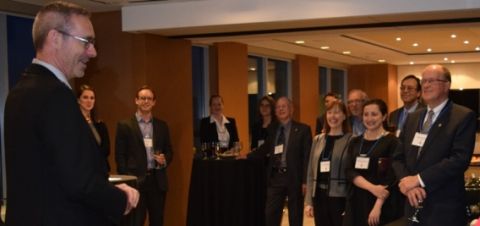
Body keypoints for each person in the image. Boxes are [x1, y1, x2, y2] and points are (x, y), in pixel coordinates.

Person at [4, 2, 139, 225]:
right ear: (55, 38)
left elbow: (52, 172)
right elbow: (79, 181)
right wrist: (121, 198)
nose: (93, 52)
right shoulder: (55, 95)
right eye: (87, 42)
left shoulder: (20, 92)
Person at [392, 64, 476, 226]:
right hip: (412, 203)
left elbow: (459, 160)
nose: (426, 85)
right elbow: (398, 157)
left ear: (447, 85)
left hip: (443, 208)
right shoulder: (413, 118)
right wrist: (407, 183)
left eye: (432, 81)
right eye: (424, 81)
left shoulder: (463, 116)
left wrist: (418, 180)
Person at [247, 97, 312, 226]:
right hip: (275, 176)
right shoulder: (273, 129)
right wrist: (248, 156)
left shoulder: (303, 129)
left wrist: (305, 181)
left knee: (295, 215)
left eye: (284, 106)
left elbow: (307, 157)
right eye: (277, 107)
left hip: (294, 176)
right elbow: (265, 147)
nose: (280, 109)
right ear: (275, 111)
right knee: (270, 214)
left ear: (291, 109)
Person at [115, 85, 173, 226]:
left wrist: (164, 160)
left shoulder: (162, 125)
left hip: (157, 181)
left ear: (154, 102)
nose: (146, 101)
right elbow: (120, 155)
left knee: (157, 221)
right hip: (135, 182)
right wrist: (127, 180)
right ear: (136, 100)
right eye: (142, 98)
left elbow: (170, 151)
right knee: (136, 222)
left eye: (149, 98)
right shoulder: (125, 125)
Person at [343, 99, 403, 226]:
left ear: (384, 116)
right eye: (366, 114)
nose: (369, 118)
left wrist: (378, 205)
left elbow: (391, 178)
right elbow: (349, 171)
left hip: (381, 202)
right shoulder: (355, 142)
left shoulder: (392, 142)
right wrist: (372, 188)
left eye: (374, 114)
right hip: (356, 201)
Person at [305, 100, 352, 226]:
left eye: (337, 112)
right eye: (329, 112)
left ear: (344, 116)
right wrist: (308, 201)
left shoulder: (351, 140)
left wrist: (350, 204)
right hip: (319, 196)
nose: (333, 116)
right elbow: (310, 172)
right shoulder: (318, 139)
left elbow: (352, 174)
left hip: (340, 197)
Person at [77, 84, 111, 172]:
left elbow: (106, 150)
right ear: (78, 100)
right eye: (85, 97)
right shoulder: (74, 123)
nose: (89, 101)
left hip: (99, 169)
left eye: (92, 98)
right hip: (81, 169)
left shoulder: (100, 124)